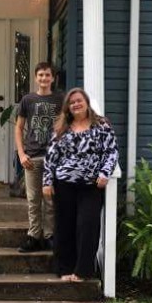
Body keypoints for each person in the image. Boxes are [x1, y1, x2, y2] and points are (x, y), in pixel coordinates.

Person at [43, 88, 119, 282]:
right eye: (72, 102)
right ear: (67, 107)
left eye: (79, 101)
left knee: (88, 225)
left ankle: (83, 271)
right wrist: (47, 181)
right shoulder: (61, 127)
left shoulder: (102, 125)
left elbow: (112, 152)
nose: (76, 104)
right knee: (65, 226)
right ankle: (65, 269)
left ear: (86, 103)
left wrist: (104, 173)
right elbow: (51, 156)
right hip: (64, 183)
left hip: (90, 185)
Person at [15, 62, 65, 252]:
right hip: (32, 157)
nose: (44, 78)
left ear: (52, 78)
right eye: (41, 75)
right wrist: (21, 153)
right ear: (36, 78)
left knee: (51, 199)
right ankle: (34, 236)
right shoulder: (28, 100)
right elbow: (19, 128)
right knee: (33, 199)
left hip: (54, 159)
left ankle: (50, 236)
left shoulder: (60, 99)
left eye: (47, 75)